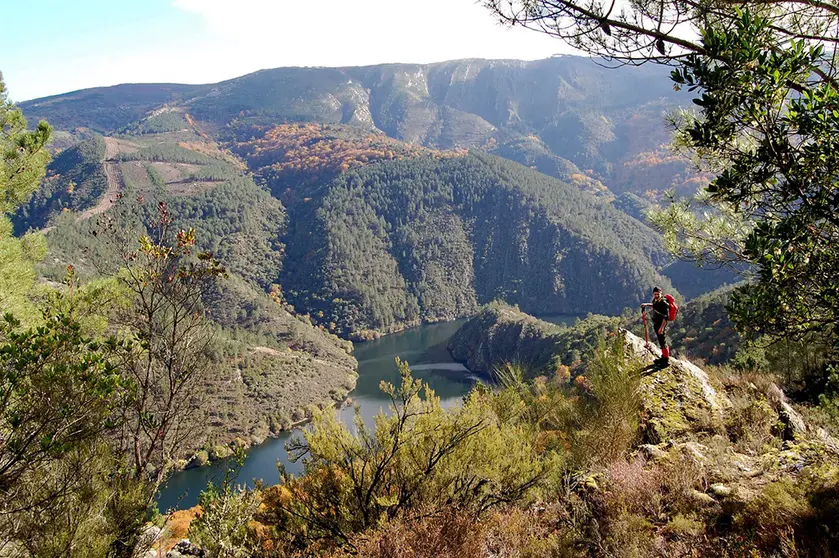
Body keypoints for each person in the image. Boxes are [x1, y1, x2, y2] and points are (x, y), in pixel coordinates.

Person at [642, 287, 670, 366]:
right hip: (656, 323)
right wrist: (647, 304)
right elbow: (655, 306)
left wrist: (662, 328)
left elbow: (666, 317)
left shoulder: (664, 303)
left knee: (662, 341)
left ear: (661, 293)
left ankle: (666, 360)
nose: (656, 295)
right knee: (660, 341)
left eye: (658, 294)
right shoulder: (656, 300)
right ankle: (663, 357)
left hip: (661, 324)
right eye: (655, 294)